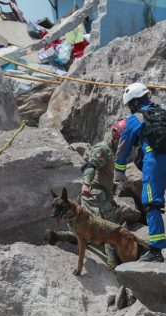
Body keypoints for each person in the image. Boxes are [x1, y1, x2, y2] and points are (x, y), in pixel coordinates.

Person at [45, 118, 126, 269]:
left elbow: (105, 176)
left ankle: (58, 236)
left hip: (100, 194)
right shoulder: (103, 149)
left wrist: (110, 198)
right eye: (124, 140)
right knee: (110, 226)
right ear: (117, 136)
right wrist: (86, 185)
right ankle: (112, 263)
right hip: (94, 194)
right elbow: (90, 167)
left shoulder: (111, 151)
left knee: (86, 229)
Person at [114, 82, 166, 262]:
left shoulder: (136, 118)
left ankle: (156, 251)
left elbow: (123, 148)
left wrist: (118, 174)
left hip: (155, 163)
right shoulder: (163, 110)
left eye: (130, 105)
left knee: (151, 203)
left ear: (135, 102)